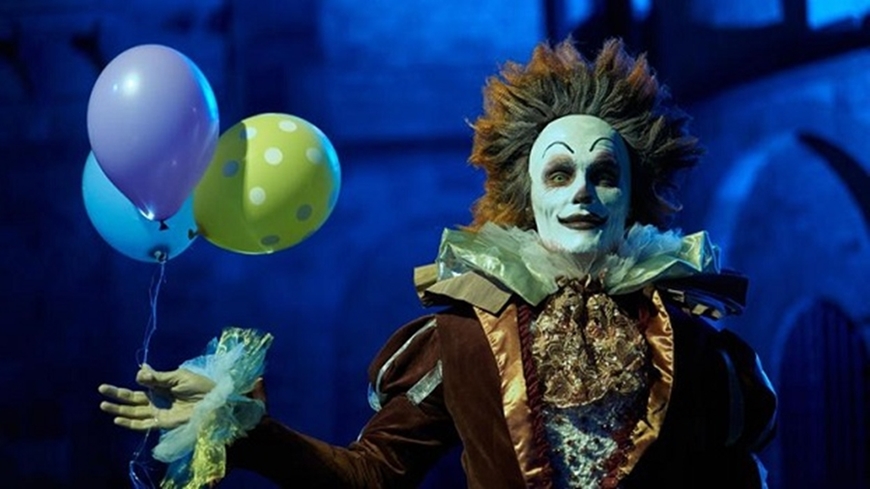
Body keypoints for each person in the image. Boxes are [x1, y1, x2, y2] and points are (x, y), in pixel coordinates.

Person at [100, 38, 777, 488]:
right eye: (559, 173)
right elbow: (371, 474)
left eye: (603, 174)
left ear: (631, 196)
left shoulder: (687, 342)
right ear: (528, 196)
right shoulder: (464, 336)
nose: (582, 192)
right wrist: (245, 428)